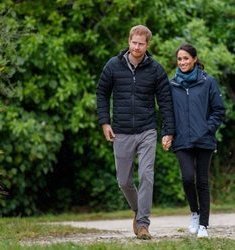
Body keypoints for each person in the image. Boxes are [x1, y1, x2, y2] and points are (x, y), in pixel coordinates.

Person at [96, 25, 175, 239]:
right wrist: (105, 122)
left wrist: (168, 131)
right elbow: (102, 93)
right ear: (129, 41)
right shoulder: (113, 65)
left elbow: (166, 102)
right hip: (121, 131)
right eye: (134, 42)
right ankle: (138, 210)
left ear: (147, 45)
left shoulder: (156, 69)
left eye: (141, 43)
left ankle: (143, 225)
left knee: (146, 176)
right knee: (123, 180)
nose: (137, 47)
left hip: (147, 130)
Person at [170, 43, 226, 238]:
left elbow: (219, 110)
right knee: (187, 178)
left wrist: (207, 129)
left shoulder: (208, 81)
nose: (183, 62)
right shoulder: (173, 84)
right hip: (182, 140)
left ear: (194, 59)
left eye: (186, 58)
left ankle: (203, 225)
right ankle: (195, 212)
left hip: (204, 140)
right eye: (179, 59)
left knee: (202, 181)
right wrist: (168, 133)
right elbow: (168, 114)